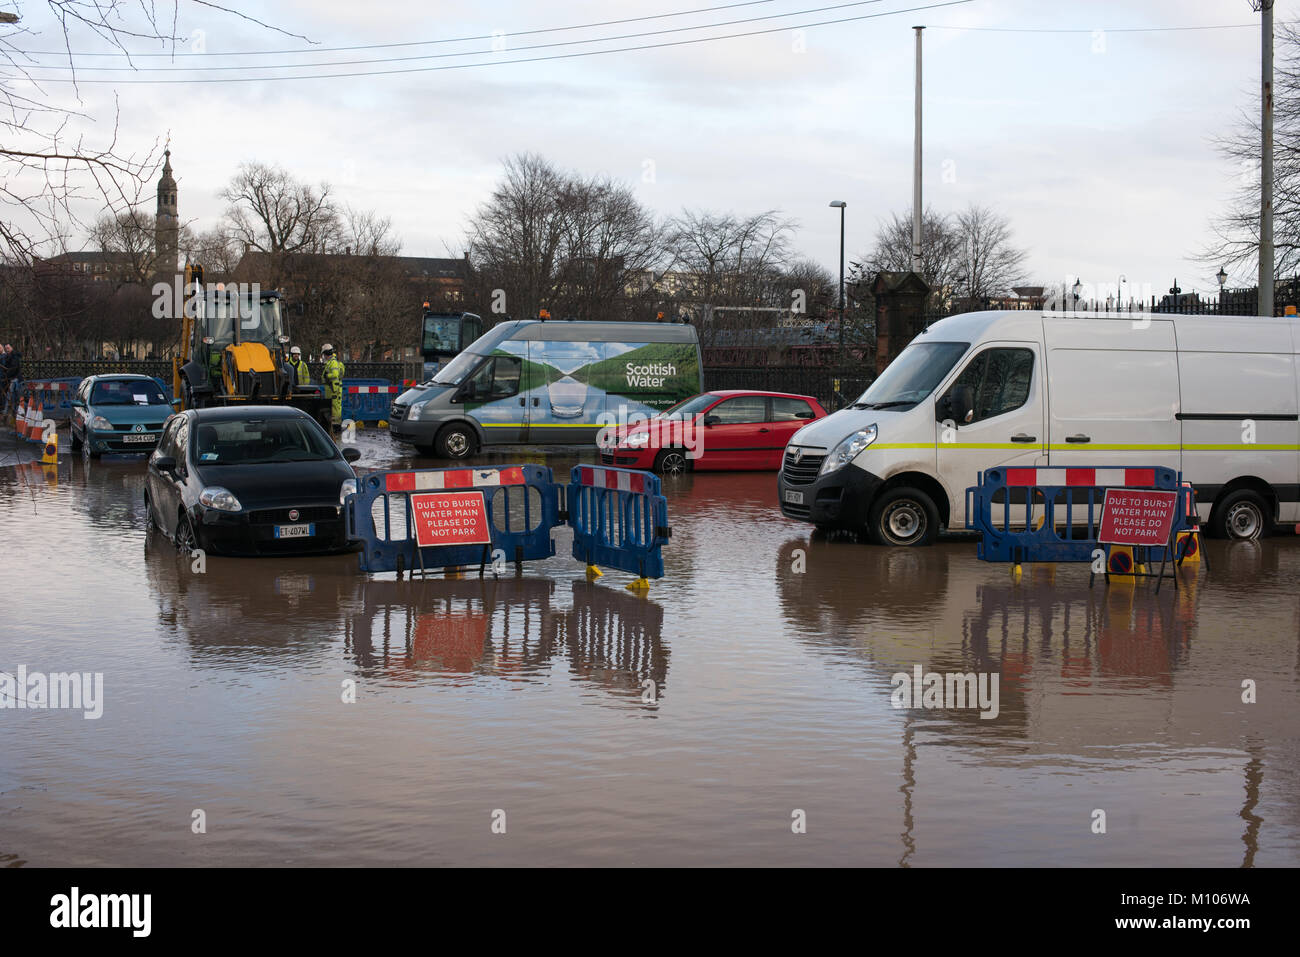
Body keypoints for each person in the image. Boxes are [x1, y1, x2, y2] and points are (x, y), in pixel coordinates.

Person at [321, 343, 345, 430]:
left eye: (324, 354)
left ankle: (336, 425)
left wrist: (327, 376)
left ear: (326, 353)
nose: (324, 356)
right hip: (332, 388)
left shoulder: (333, 362)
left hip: (334, 388)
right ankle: (334, 424)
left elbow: (335, 374)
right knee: (334, 407)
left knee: (335, 407)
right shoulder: (330, 362)